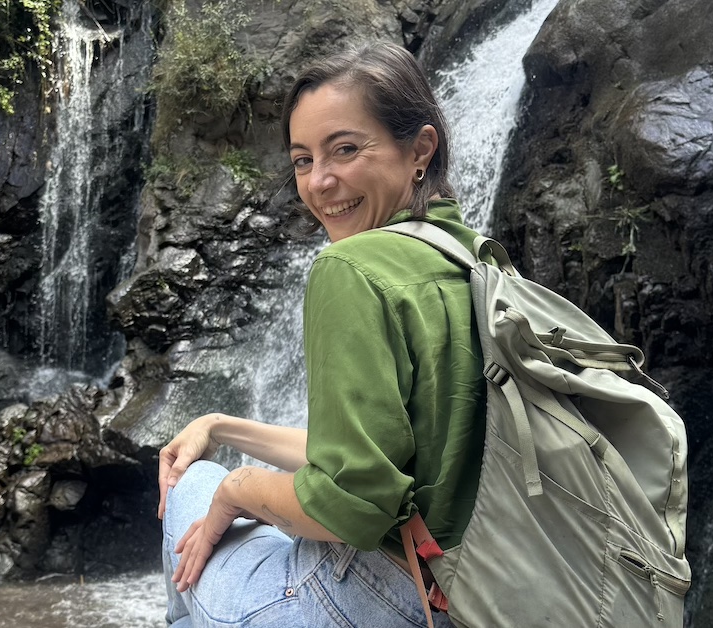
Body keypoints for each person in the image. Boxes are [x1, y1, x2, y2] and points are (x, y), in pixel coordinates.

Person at [157, 41, 487, 628]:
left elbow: (351, 507)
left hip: (365, 600)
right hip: (467, 592)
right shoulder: (471, 258)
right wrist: (219, 426)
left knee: (193, 487)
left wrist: (236, 487)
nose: (321, 182)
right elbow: (374, 456)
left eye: (345, 150)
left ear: (420, 149)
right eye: (303, 160)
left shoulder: (353, 268)